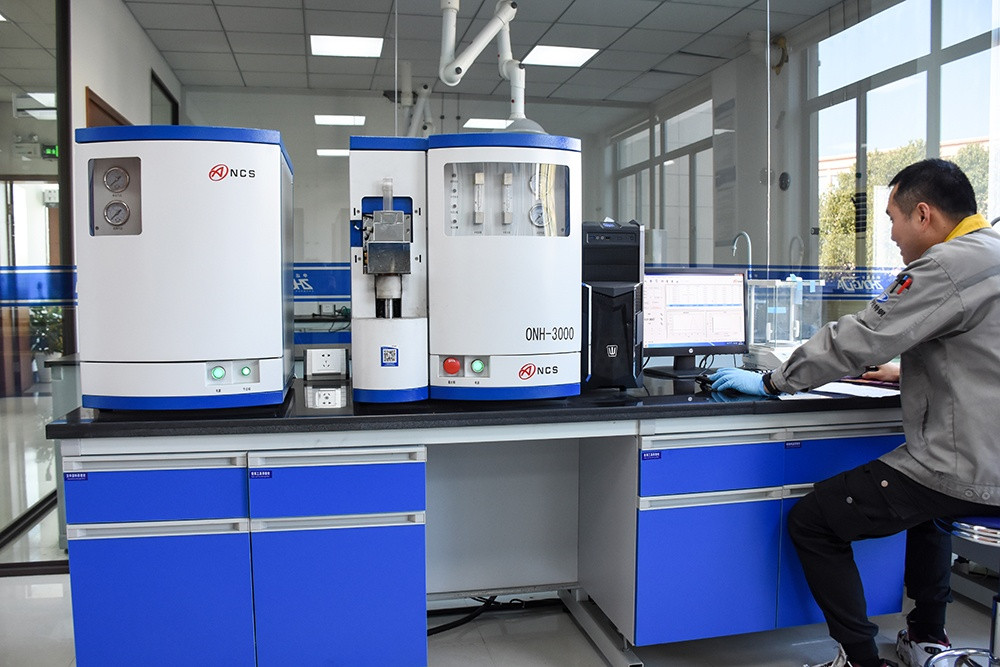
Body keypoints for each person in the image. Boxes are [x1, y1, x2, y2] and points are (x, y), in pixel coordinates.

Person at [708, 159, 1000, 667]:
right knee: (928, 511)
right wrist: (907, 374)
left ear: (924, 214)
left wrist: (773, 380)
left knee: (814, 520)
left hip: (969, 470)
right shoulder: (992, 253)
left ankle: (861, 658)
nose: (892, 235)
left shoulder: (946, 266)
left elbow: (858, 338)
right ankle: (927, 635)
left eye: (893, 219)